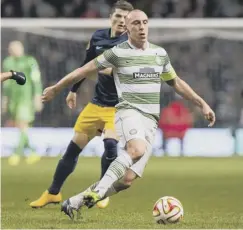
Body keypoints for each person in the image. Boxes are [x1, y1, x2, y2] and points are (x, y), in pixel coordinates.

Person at [41, 9, 216, 219]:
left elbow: (176, 82)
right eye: (136, 24)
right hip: (128, 112)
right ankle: (98, 192)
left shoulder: (159, 54)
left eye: (144, 22)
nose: (141, 27)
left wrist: (202, 103)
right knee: (136, 149)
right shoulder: (117, 53)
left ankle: (75, 202)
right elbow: (83, 70)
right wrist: (56, 89)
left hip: (150, 120)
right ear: (128, 28)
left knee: (126, 180)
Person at [29, 0, 134, 209]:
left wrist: (104, 69)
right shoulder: (97, 37)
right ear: (111, 17)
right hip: (96, 104)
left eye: (126, 18)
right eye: (119, 16)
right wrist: (73, 90)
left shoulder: (129, 44)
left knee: (110, 146)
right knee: (72, 149)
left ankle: (101, 192)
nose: (122, 21)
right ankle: (52, 193)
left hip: (119, 107)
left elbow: (117, 71)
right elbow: (86, 65)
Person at [2, 41, 43, 166]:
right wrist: (5, 99)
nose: (14, 50)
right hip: (14, 99)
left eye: (17, 48)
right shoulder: (7, 62)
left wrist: (37, 97)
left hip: (26, 98)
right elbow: (6, 84)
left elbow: (36, 80)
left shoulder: (30, 61)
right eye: (12, 48)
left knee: (23, 124)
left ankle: (17, 153)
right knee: (21, 127)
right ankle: (32, 152)